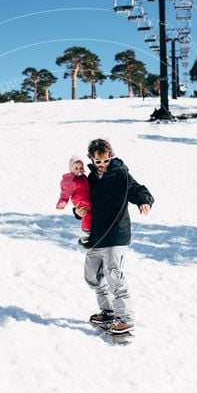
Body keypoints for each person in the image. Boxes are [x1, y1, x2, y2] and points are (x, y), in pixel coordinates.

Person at [75, 138, 154, 335]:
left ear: (111, 157)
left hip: (116, 235)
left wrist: (144, 201)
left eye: (105, 161)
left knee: (114, 276)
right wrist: (78, 212)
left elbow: (138, 190)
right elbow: (82, 201)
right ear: (91, 160)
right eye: (98, 162)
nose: (102, 165)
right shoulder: (91, 179)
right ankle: (108, 312)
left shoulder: (121, 174)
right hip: (97, 236)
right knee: (92, 276)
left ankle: (125, 319)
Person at [56, 155, 92, 247]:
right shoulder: (69, 180)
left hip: (87, 199)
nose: (79, 170)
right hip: (79, 201)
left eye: (81, 168)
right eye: (76, 168)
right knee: (86, 214)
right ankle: (85, 233)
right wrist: (62, 202)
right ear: (71, 169)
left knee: (89, 213)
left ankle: (88, 232)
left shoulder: (84, 177)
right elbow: (65, 193)